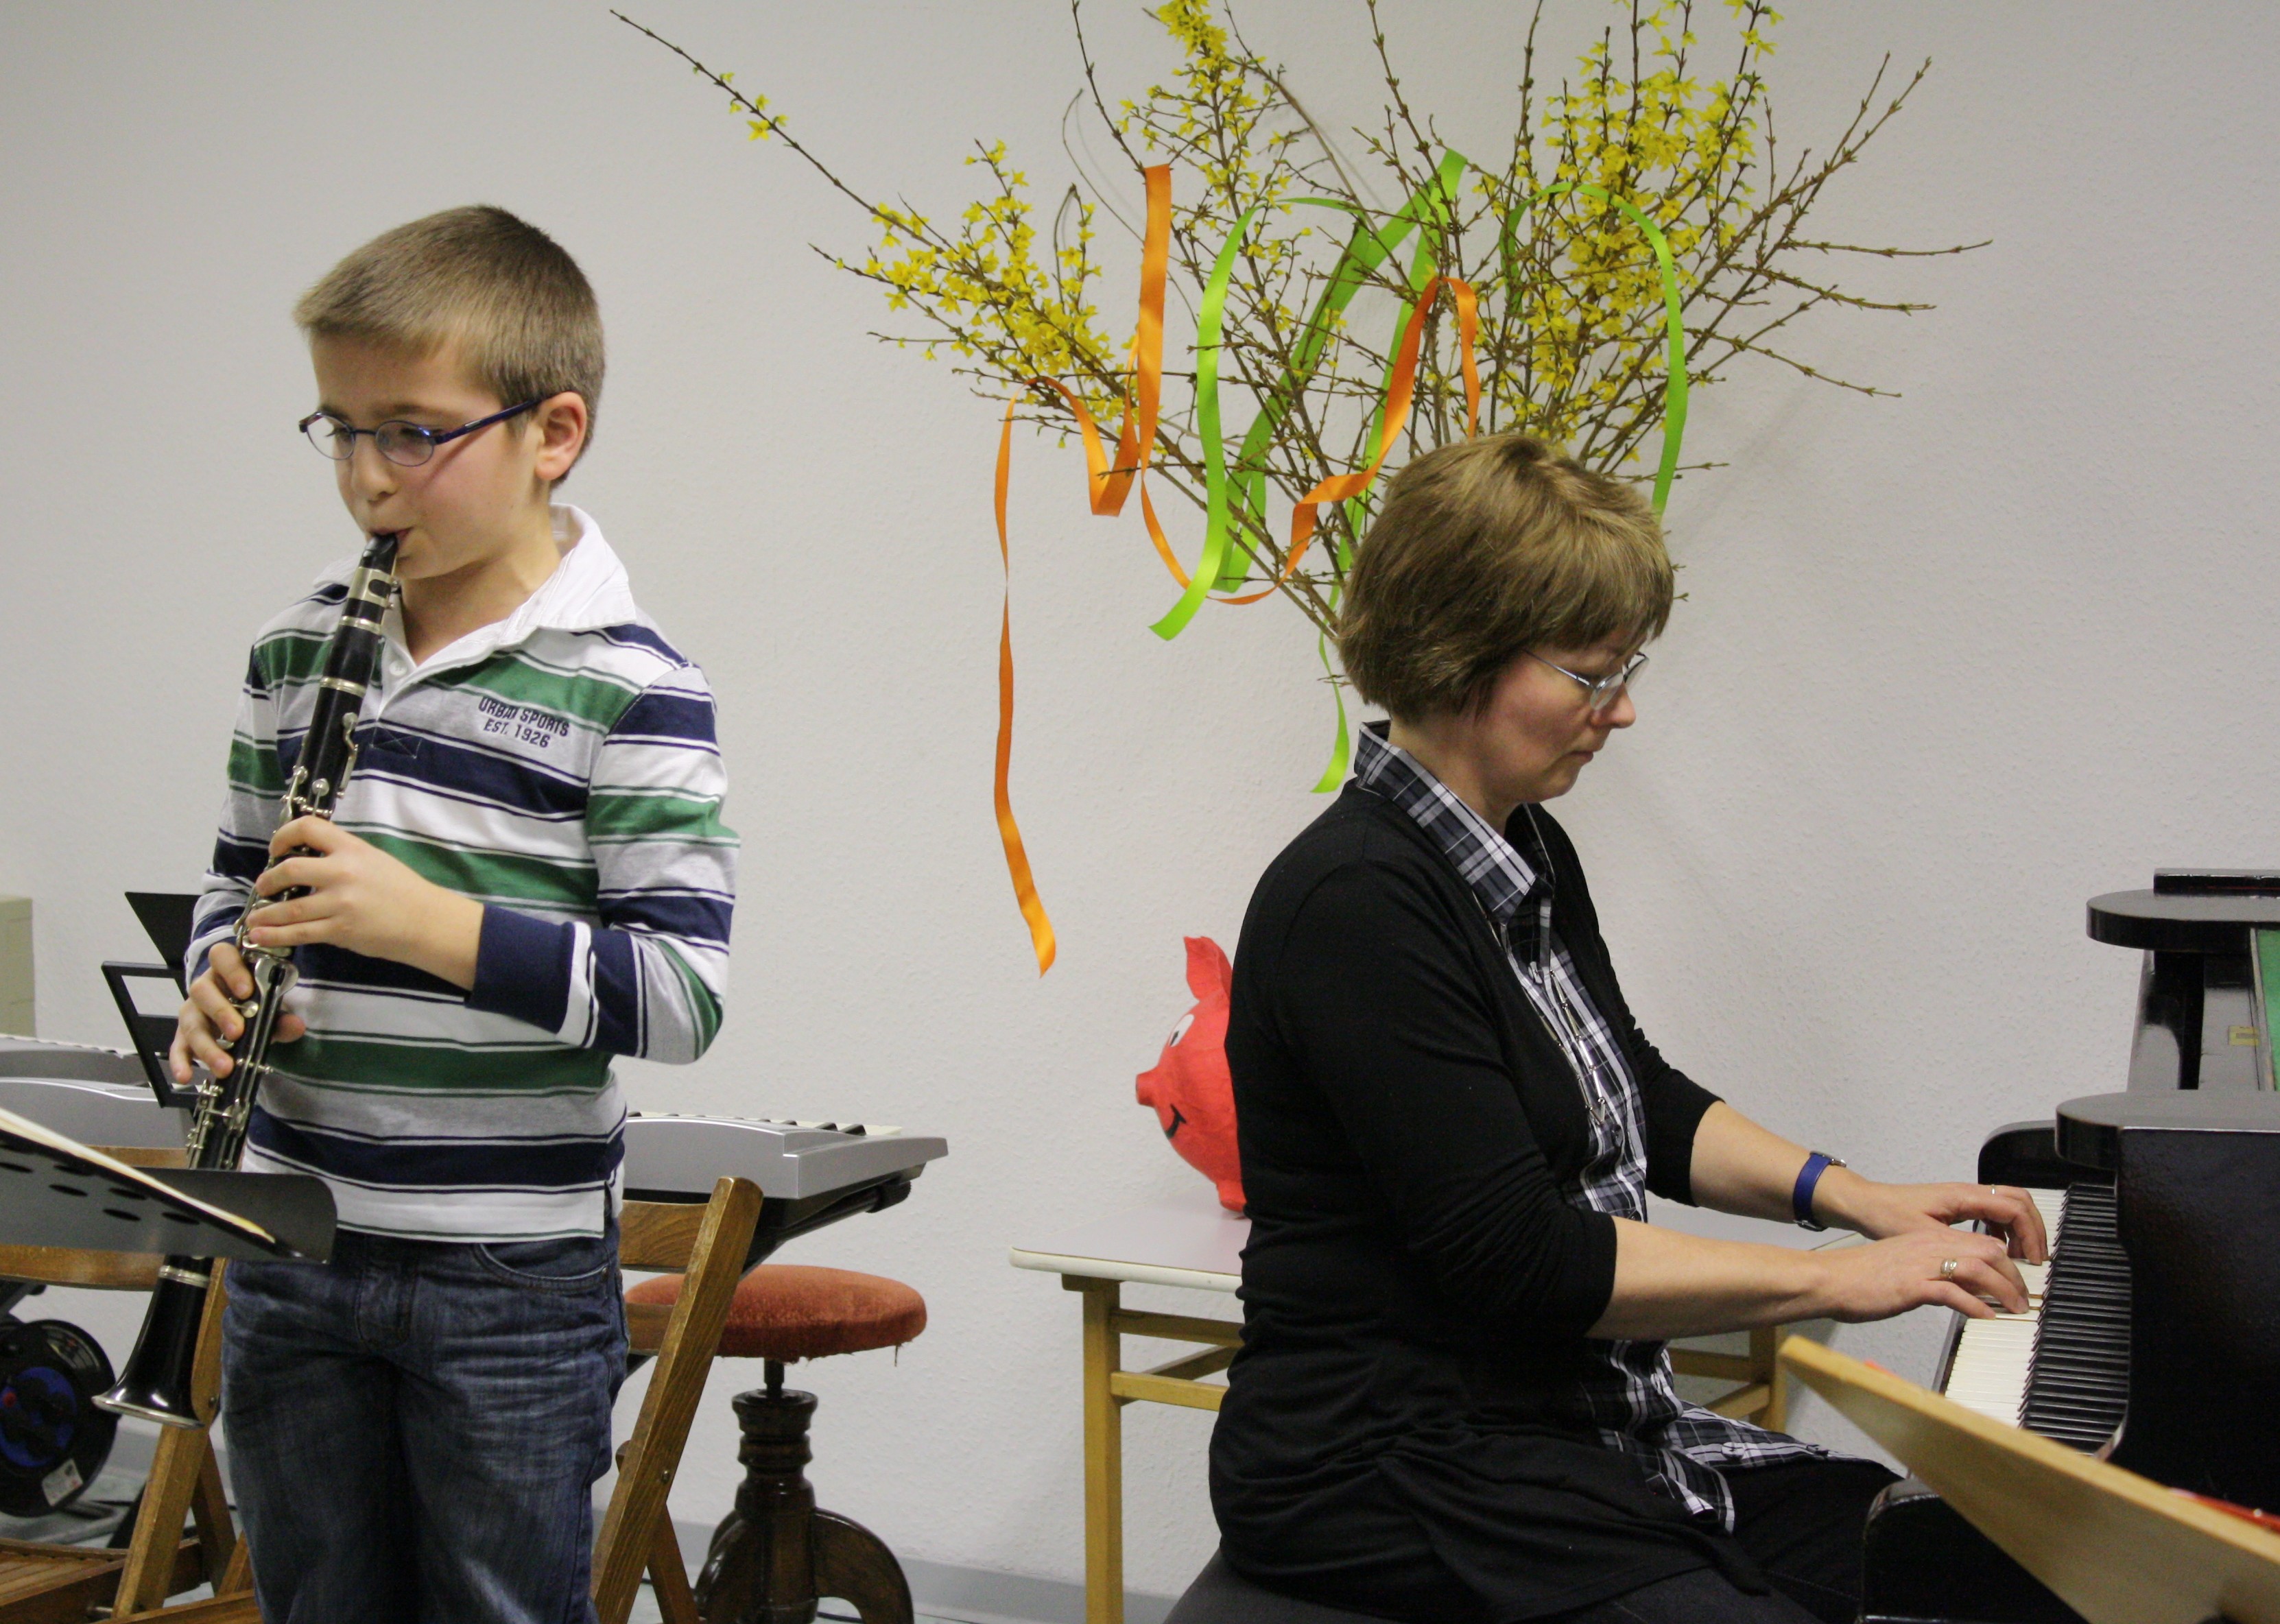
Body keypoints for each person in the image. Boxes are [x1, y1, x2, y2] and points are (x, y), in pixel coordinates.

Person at [1209, 433, 2045, 1624]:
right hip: (1397, 1467)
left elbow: (1633, 1098)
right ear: (1458, 655)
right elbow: (1524, 1258)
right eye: (1592, 675)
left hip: (1577, 1437)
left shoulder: (1525, 848)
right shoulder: (1355, 903)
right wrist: (1838, 1282)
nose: (1623, 710)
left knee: (1991, 1571)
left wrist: (1860, 1200)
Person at [165, 206, 736, 1623]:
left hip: (510, 1276)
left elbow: (680, 996)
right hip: (297, 1237)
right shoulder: (297, 651)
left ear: (554, 433)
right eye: (342, 429)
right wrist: (216, 972)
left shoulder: (633, 685)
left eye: (414, 433)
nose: (367, 476)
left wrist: (428, 924)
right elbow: (234, 882)